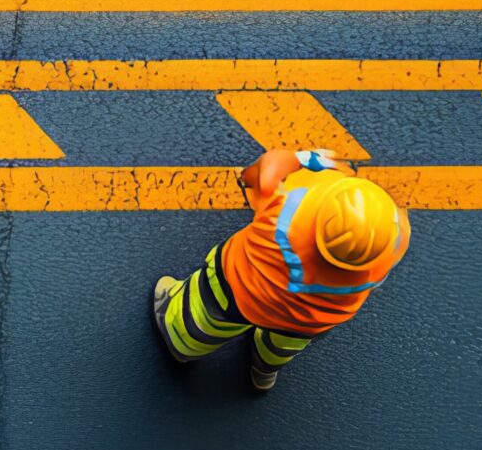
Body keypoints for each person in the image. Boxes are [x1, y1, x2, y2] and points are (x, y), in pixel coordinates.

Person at [151, 147, 411, 392]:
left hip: (240, 292)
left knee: (203, 315)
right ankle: (264, 368)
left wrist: (301, 158)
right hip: (307, 321)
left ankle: (182, 341)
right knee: (282, 346)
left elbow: (263, 171)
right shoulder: (394, 243)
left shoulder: (285, 213)